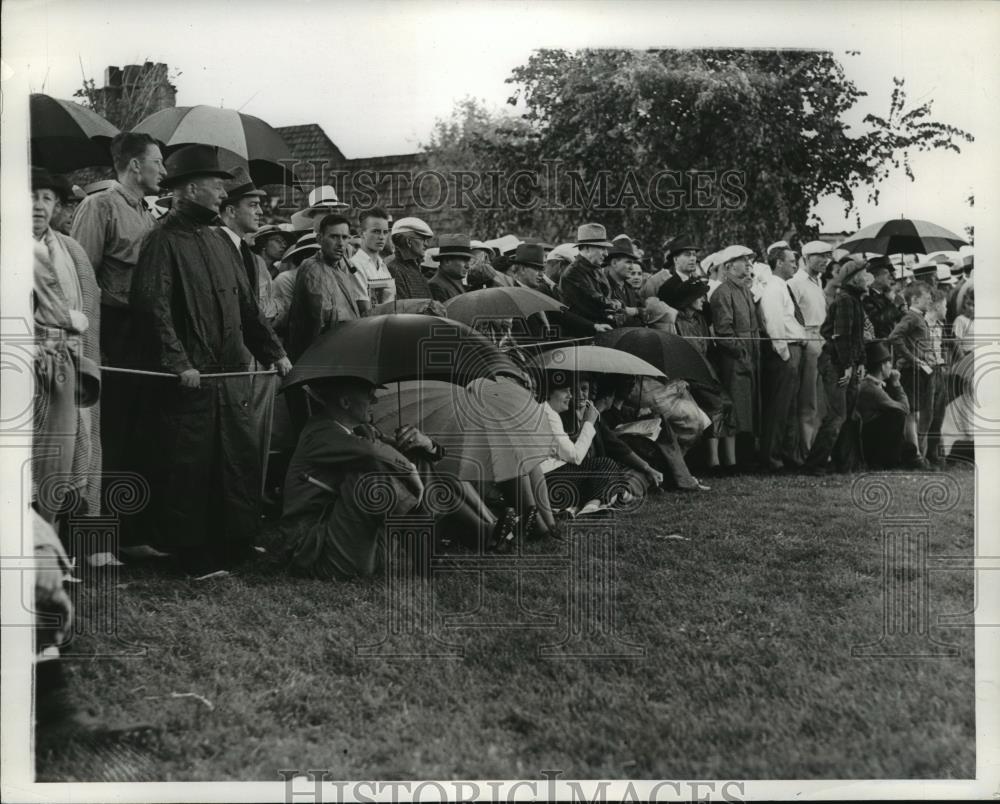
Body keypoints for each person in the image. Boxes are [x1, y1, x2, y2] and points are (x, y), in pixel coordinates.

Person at [129, 144, 291, 573]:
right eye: (218, 186)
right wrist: (178, 363)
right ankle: (191, 554)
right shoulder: (161, 242)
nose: (224, 194)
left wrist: (275, 354)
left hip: (230, 375)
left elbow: (248, 311)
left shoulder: (223, 242)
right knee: (191, 466)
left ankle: (235, 542)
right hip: (192, 381)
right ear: (191, 188)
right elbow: (153, 308)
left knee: (236, 459)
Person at [280, 377, 518, 578]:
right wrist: (408, 469)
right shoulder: (320, 432)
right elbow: (372, 452)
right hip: (316, 551)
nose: (375, 401)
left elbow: (407, 453)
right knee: (370, 480)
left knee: (416, 457)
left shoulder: (363, 430)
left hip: (355, 541)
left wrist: (426, 443)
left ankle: (481, 535)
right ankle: (436, 550)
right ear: (345, 402)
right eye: (370, 395)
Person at [70, 131, 165, 527]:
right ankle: (98, 530)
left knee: (141, 429)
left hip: (145, 331)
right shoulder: (99, 206)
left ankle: (131, 533)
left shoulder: (149, 213)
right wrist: (91, 345)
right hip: (111, 332)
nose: (164, 170)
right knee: (109, 430)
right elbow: (81, 278)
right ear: (134, 165)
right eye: (157, 162)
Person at [31, 168, 102, 525]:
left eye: (46, 198)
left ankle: (52, 552)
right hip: (19, 369)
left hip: (64, 368)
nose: (37, 206)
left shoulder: (70, 250)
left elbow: (86, 310)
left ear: (57, 205)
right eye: (30, 197)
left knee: (65, 459)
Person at [219, 169, 281, 498]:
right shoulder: (215, 248)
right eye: (252, 205)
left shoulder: (253, 260)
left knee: (255, 434)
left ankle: (251, 503)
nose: (260, 211)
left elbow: (265, 309)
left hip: (256, 360)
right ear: (230, 210)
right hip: (228, 361)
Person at [804, 258, 868, 474]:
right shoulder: (845, 301)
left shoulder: (853, 300)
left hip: (843, 363)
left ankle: (844, 463)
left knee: (847, 416)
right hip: (836, 364)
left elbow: (856, 338)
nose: (868, 278)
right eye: (864, 274)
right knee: (837, 416)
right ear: (854, 278)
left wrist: (860, 362)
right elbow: (842, 337)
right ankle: (815, 463)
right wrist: (848, 365)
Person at [285, 214, 369, 362]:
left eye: (345, 237)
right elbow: (321, 321)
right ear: (319, 239)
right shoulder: (312, 268)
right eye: (334, 237)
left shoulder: (341, 268)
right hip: (321, 357)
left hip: (340, 351)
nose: (341, 243)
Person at [709, 245, 760, 471]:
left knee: (749, 407)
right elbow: (724, 332)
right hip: (734, 360)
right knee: (737, 409)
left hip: (750, 356)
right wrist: (742, 352)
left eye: (749, 261)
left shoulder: (744, 290)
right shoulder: (722, 293)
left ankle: (746, 457)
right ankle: (735, 461)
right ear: (728, 266)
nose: (748, 264)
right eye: (743, 260)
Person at [757, 245, 808, 471]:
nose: (795, 265)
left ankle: (788, 455)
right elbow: (774, 322)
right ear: (778, 263)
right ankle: (772, 458)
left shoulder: (782, 287)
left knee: (791, 407)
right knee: (779, 407)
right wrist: (784, 352)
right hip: (786, 351)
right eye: (791, 261)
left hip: (794, 349)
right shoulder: (773, 289)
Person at [786, 240, 832, 462]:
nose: (825, 260)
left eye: (827, 256)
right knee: (808, 400)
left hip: (822, 340)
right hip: (808, 340)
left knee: (821, 400)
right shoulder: (796, 283)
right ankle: (806, 451)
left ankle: (817, 450)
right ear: (806, 258)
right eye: (820, 256)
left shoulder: (817, 282)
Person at [511, 243, 611, 339]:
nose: (541, 274)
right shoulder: (512, 296)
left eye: (542, 269)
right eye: (537, 269)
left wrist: (594, 326)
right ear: (522, 269)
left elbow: (560, 314)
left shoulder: (538, 291)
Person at [887, 281, 935, 465]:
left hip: (919, 371)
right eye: (926, 296)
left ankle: (917, 455)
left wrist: (924, 356)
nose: (930, 299)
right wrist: (912, 358)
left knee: (915, 413)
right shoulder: (912, 317)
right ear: (914, 299)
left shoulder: (918, 317)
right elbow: (894, 337)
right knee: (911, 414)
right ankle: (914, 456)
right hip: (911, 371)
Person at [856, 340, 911, 469]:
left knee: (910, 449)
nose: (891, 367)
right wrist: (897, 384)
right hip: (871, 441)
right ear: (882, 366)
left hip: (871, 435)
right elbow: (905, 409)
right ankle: (886, 462)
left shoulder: (871, 384)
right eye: (889, 363)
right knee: (897, 415)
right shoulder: (872, 389)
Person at [559, 223, 617, 327]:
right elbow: (595, 301)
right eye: (602, 248)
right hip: (583, 334)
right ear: (587, 248)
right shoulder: (573, 273)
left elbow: (607, 296)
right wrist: (617, 304)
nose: (606, 254)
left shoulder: (596, 269)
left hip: (601, 328)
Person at [351, 207, 396, 306]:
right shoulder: (355, 265)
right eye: (376, 231)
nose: (381, 237)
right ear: (362, 233)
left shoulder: (382, 266)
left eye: (385, 232)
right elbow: (365, 311)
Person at [387, 217, 435, 299]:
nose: (426, 244)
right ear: (409, 242)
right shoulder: (395, 270)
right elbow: (403, 307)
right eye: (423, 239)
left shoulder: (415, 267)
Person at [641, 236, 700, 300]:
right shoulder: (655, 281)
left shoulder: (697, 280)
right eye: (687, 255)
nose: (692, 258)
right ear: (675, 259)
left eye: (694, 255)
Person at [604, 236, 645, 326]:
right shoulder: (603, 286)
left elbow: (647, 312)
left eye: (633, 262)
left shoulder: (629, 288)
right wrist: (637, 313)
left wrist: (635, 311)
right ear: (614, 263)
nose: (632, 267)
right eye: (628, 262)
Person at [862, 256, 902, 339]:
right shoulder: (867, 298)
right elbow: (877, 322)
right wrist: (892, 303)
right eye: (886, 273)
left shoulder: (885, 296)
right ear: (875, 277)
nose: (891, 277)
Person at [428, 234, 473, 303]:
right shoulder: (435, 286)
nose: (467, 266)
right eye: (464, 260)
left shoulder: (456, 280)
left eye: (468, 260)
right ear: (447, 261)